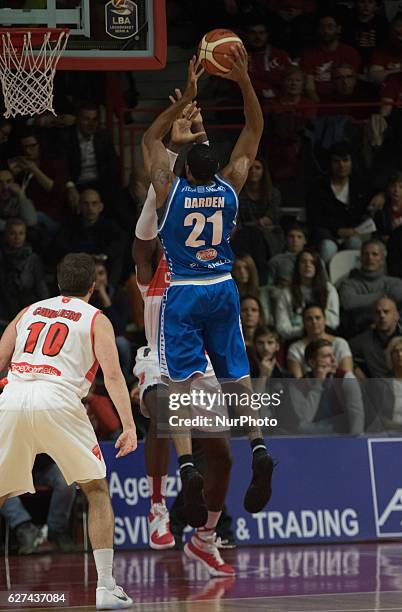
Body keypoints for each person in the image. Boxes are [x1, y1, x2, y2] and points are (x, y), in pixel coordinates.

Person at [142, 49, 274, 537]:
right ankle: (259, 446)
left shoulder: (168, 189)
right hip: (222, 287)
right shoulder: (233, 184)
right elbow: (253, 132)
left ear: (183, 169)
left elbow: (149, 139)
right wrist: (243, 83)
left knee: (177, 386)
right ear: (215, 167)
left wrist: (187, 101)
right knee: (237, 376)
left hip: (184, 292)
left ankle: (187, 468)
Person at [0, 252, 137, 610]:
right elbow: (112, 375)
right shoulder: (96, 318)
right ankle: (106, 587)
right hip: (59, 399)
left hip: (13, 396)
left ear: (58, 283)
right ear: (94, 285)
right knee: (95, 489)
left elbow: (0, 360)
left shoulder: (28, 311)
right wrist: (129, 425)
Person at [133, 109, 234, 576]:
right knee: (163, 404)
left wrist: (200, 146)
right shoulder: (149, 263)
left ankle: (206, 537)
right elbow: (163, 195)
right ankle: (157, 507)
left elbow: (204, 190)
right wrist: (174, 146)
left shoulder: (206, 270)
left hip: (199, 363)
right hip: (156, 360)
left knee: (226, 454)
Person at [288, 338, 365, 434]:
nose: (333, 360)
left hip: (343, 432)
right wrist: (318, 384)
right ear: (312, 363)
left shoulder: (346, 378)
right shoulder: (297, 386)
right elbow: (306, 418)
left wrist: (356, 444)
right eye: (327, 356)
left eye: (333, 355)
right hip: (313, 434)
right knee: (302, 427)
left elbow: (356, 414)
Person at [339, 239, 402, 336]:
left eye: (375, 254)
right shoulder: (348, 283)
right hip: (359, 334)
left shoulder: (395, 282)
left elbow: (400, 298)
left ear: (382, 259)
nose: (370, 258)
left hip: (394, 336)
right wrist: (382, 295)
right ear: (361, 258)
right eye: (366, 254)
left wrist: (362, 302)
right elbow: (348, 302)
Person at [275, 248, 340, 341]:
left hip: (324, 338)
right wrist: (305, 330)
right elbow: (282, 328)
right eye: (303, 262)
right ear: (297, 266)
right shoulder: (286, 293)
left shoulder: (328, 289)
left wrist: (314, 328)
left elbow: (334, 321)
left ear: (317, 266)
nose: (308, 265)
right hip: (296, 339)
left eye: (312, 262)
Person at [287, 304, 353, 378]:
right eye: (309, 319)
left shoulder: (341, 343)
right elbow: (297, 383)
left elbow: (347, 377)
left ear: (325, 320)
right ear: (304, 323)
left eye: (318, 318)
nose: (314, 322)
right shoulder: (295, 348)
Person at [349, 296, 402, 378]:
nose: (382, 316)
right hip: (378, 387)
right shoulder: (364, 341)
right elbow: (344, 352)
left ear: (397, 316)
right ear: (373, 317)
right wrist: (355, 369)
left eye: (386, 312)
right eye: (377, 312)